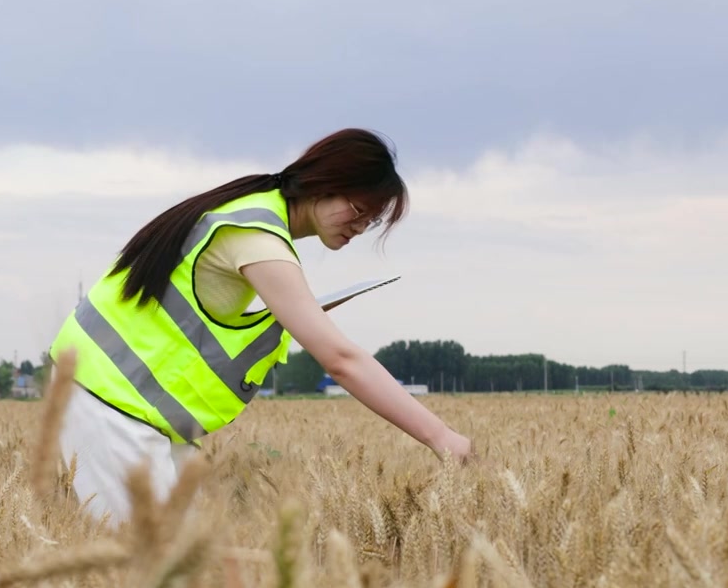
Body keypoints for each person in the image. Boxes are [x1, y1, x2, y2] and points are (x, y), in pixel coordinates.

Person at [49, 128, 474, 524]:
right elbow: (341, 361)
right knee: (158, 574)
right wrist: (441, 437)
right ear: (324, 182)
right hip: (106, 404)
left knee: (195, 569)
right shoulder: (255, 234)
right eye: (360, 210)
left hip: (132, 408)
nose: (361, 227)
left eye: (372, 221)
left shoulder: (252, 212)